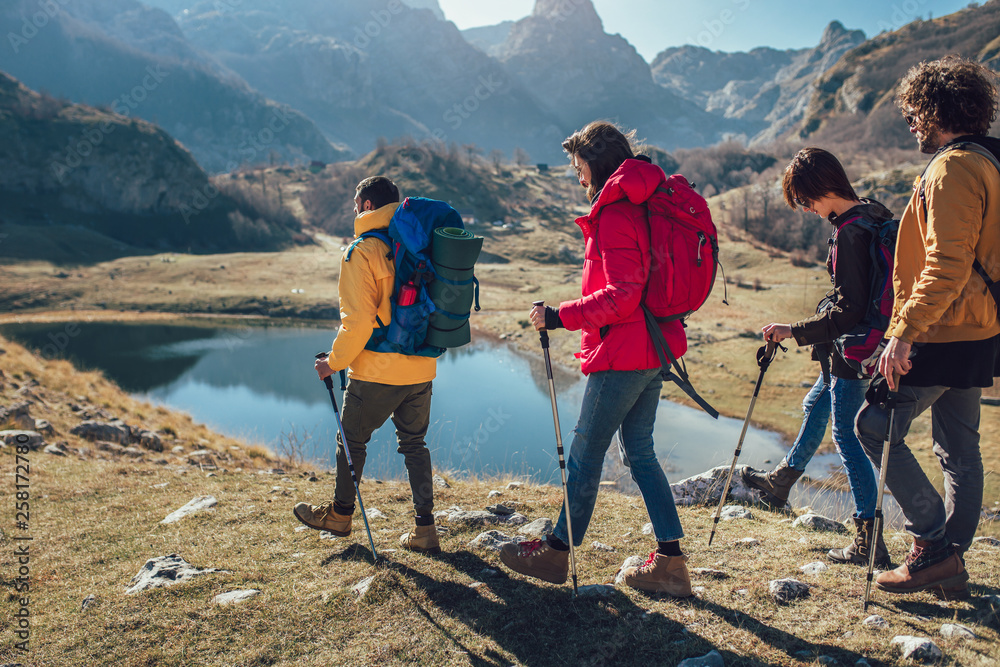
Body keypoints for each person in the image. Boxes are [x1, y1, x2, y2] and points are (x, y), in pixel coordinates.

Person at [498, 121, 693, 596]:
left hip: (625, 351)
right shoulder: (646, 200)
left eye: (578, 165)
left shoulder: (616, 210)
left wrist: (559, 316)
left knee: (585, 451)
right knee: (640, 452)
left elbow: (623, 295)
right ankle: (670, 561)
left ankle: (556, 551)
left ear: (595, 163)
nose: (576, 175)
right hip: (654, 346)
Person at [855, 55, 1000, 600]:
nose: (911, 124)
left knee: (872, 426)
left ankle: (932, 548)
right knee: (959, 448)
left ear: (935, 109)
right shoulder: (989, 160)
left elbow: (946, 263)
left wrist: (903, 331)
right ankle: (950, 566)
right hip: (978, 328)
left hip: (944, 329)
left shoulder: (953, 167)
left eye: (914, 113)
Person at [740, 148, 892, 567]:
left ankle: (868, 539)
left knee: (846, 434)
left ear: (820, 189)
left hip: (851, 350)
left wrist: (794, 330)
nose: (806, 210)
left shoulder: (848, 232)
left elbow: (848, 312)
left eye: (805, 201)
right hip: (864, 344)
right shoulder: (874, 213)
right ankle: (781, 482)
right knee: (815, 402)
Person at [293, 176, 441, 554]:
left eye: (355, 204)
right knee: (414, 445)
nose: (353, 210)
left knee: (351, 439)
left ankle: (341, 516)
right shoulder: (412, 242)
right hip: (421, 369)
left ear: (367, 205)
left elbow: (358, 321)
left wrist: (333, 362)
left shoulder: (361, 251)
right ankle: (425, 529)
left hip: (377, 370)